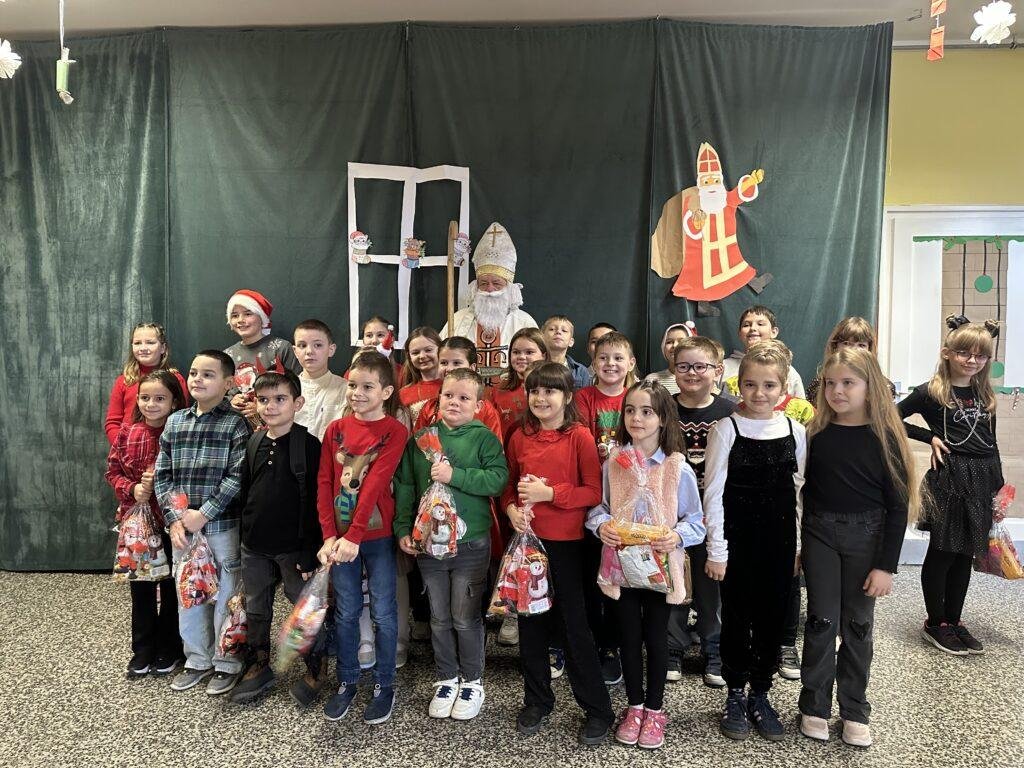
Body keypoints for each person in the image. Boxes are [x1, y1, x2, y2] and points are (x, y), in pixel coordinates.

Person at [798, 348, 918, 748]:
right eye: (830, 384)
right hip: (819, 535)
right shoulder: (815, 434)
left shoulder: (885, 438)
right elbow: (803, 494)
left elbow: (898, 507)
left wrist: (886, 566)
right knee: (820, 623)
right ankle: (814, 706)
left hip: (867, 540)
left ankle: (854, 709)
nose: (837, 391)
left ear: (870, 387)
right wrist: (800, 544)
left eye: (848, 383)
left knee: (857, 627)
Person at [587, 381, 705, 750]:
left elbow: (695, 521)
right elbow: (600, 508)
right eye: (630, 410)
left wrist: (677, 536)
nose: (636, 418)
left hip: (659, 569)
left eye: (647, 411)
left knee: (656, 636)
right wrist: (601, 526)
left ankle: (654, 709)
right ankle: (634, 706)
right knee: (627, 635)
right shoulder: (614, 463)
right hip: (622, 567)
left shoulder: (676, 468)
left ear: (663, 418)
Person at [502, 362, 614, 745]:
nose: (540, 398)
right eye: (534, 390)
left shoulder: (579, 436)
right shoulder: (520, 436)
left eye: (549, 391)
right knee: (531, 624)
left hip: (566, 547)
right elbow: (508, 486)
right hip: (528, 545)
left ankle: (597, 709)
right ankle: (537, 700)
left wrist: (550, 494)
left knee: (573, 626)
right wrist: (511, 510)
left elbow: (593, 492)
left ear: (567, 397)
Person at [703, 342, 806, 741]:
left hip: (779, 544)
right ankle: (735, 691)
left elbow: (798, 493)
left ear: (783, 388)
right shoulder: (725, 429)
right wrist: (717, 549)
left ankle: (761, 692)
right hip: (737, 543)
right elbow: (713, 493)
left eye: (769, 385)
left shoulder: (795, 431)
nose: (759, 393)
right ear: (738, 385)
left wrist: (797, 548)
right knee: (737, 617)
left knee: (772, 619)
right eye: (750, 385)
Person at [394, 368, 509, 720]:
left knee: (465, 616)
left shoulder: (483, 439)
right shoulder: (421, 440)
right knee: (439, 616)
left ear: (478, 406)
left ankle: (472, 679)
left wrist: (454, 475)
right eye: (448, 395)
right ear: (437, 400)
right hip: (430, 543)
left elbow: (498, 480)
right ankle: (446, 676)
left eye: (464, 398)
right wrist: (403, 527)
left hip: (471, 544)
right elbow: (406, 486)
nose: (454, 402)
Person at [898, 319, 1003, 656]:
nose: (972, 361)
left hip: (981, 479)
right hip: (950, 478)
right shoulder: (930, 391)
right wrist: (929, 436)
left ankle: (954, 620)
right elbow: (891, 417)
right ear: (947, 353)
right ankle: (935, 622)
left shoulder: (985, 394)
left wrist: (998, 487)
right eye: (964, 353)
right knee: (943, 551)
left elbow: (990, 442)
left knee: (964, 553)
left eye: (980, 356)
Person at [317, 351, 408, 725]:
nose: (357, 393)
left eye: (367, 387)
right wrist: (328, 536)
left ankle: (385, 683)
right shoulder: (335, 429)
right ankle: (347, 680)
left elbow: (374, 484)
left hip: (375, 537)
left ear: (386, 391)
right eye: (353, 385)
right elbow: (325, 482)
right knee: (347, 610)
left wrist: (354, 535)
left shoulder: (394, 431)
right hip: (339, 541)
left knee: (384, 612)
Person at [154, 350, 251, 695]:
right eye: (194, 373)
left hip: (222, 526)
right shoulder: (175, 422)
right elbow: (162, 475)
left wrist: (205, 513)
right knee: (189, 593)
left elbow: (237, 477)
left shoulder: (236, 425)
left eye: (208, 374)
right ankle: (197, 658)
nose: (198, 379)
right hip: (183, 529)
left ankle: (227, 661)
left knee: (228, 594)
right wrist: (174, 519)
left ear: (228, 384)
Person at [229, 371, 326, 706]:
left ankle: (316, 668)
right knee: (256, 607)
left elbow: (315, 502)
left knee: (303, 609)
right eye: (263, 400)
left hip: (294, 549)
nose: (270, 406)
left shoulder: (308, 445)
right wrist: (245, 537)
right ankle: (258, 663)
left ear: (297, 403)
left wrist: (310, 549)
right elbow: (246, 492)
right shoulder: (254, 441)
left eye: (280, 399)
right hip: (255, 546)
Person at [104, 370, 187, 678]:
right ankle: (142, 649)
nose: (151, 404)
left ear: (174, 401)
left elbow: (188, 477)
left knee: (171, 587)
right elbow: (113, 472)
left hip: (171, 524)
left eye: (160, 398)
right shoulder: (127, 433)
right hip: (137, 527)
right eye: (145, 398)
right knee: (140, 588)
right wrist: (132, 489)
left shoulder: (180, 433)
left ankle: (169, 647)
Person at [667, 336, 736, 687]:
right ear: (673, 369)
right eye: (683, 366)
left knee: (713, 587)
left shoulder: (731, 411)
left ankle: (714, 649)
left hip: (715, 516)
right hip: (672, 517)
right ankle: (672, 648)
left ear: (717, 370)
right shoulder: (663, 408)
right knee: (674, 581)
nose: (692, 373)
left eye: (700, 366)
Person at [574, 331, 638, 685]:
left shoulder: (637, 396)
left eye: (618, 358)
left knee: (623, 577)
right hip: (591, 497)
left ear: (631, 363)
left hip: (628, 498)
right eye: (603, 358)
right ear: (593, 363)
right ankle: (595, 643)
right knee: (593, 577)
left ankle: (616, 645)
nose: (610, 364)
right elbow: (581, 441)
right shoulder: (584, 397)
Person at [441, 222, 537, 385]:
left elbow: (538, 367)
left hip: (512, 395)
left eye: (497, 283)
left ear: (509, 287)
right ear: (475, 286)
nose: (490, 289)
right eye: (484, 283)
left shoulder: (524, 323)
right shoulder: (457, 320)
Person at [224, 289, 302, 424]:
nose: (240, 320)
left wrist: (262, 406)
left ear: (262, 317)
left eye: (248, 314)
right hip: (235, 425)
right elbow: (218, 393)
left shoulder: (280, 348)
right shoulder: (227, 354)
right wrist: (230, 401)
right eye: (235, 315)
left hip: (275, 427)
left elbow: (297, 389)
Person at [104, 322, 187, 445]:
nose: (143, 348)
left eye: (150, 342)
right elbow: (112, 422)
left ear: (163, 348)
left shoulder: (176, 379)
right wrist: (125, 447)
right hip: (128, 449)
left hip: (164, 448)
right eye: (137, 343)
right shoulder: (124, 380)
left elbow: (182, 418)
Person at [805, 317, 896, 404]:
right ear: (835, 347)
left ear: (869, 349)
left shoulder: (884, 387)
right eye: (847, 343)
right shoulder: (818, 386)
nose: (854, 350)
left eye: (861, 345)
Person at [720, 306, 805, 399]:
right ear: (739, 333)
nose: (753, 328)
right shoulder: (724, 367)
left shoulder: (787, 371)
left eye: (760, 324)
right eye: (746, 325)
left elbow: (799, 403)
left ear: (774, 332)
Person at [488, 327, 548, 440]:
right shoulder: (498, 390)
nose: (521, 357)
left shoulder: (553, 390)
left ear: (543, 356)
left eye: (529, 352)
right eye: (516, 352)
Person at [293, 319, 347, 442]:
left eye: (318, 345)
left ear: (331, 349)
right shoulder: (286, 389)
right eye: (302, 345)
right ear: (295, 351)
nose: (309, 351)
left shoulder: (346, 389)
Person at [399, 326, 444, 424]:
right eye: (415, 353)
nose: (422, 356)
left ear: (441, 350)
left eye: (428, 350)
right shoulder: (403, 394)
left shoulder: (455, 388)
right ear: (409, 356)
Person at [645, 322, 696, 395]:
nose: (675, 345)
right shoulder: (651, 380)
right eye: (669, 342)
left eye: (681, 341)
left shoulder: (698, 378)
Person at [542, 315, 590, 389]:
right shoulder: (535, 366)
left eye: (564, 330)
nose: (558, 332)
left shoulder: (581, 371)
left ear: (571, 342)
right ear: (542, 337)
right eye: (552, 329)